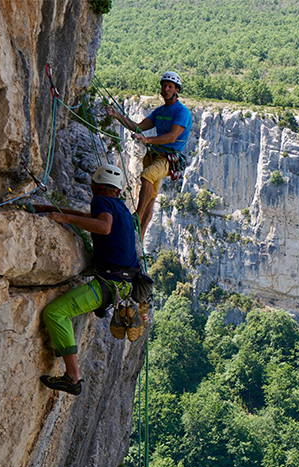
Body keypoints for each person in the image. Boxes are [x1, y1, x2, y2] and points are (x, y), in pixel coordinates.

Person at [38, 163, 141, 395]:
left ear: (96, 185)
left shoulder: (101, 201)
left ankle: (73, 377)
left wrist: (65, 220)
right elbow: (94, 219)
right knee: (63, 312)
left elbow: (103, 227)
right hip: (124, 283)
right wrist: (55, 210)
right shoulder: (121, 207)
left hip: (109, 283)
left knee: (55, 313)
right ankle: (65, 355)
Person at [106, 71, 192, 238]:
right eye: (164, 86)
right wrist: (117, 116)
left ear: (176, 90)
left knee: (147, 176)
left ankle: (136, 217)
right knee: (151, 197)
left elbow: (172, 136)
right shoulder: (159, 112)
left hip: (169, 158)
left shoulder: (182, 112)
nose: (166, 89)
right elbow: (137, 127)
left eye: (170, 87)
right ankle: (140, 236)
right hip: (153, 155)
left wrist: (147, 140)